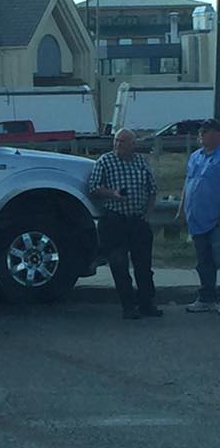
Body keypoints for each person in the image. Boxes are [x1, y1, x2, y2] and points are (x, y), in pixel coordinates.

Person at [87, 128, 162, 320]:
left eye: (122, 142)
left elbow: (152, 189)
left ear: (132, 144)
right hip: (115, 220)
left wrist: (148, 213)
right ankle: (128, 306)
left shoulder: (141, 162)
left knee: (143, 265)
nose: (117, 145)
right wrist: (113, 194)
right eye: (116, 141)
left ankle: (147, 303)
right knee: (119, 265)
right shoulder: (105, 161)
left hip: (138, 220)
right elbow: (93, 187)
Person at [179, 117, 220, 312]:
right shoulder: (195, 156)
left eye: (206, 131)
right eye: (200, 131)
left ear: (216, 134)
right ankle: (207, 298)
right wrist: (181, 209)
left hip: (216, 219)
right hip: (196, 217)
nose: (201, 135)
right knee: (204, 262)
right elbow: (188, 183)